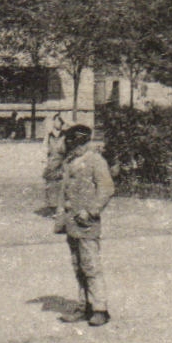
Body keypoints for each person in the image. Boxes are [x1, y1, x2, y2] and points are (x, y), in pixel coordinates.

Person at [55, 124, 114, 326]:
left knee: (91, 266)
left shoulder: (95, 161)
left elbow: (106, 188)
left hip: (87, 223)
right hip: (72, 224)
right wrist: (61, 218)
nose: (74, 148)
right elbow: (64, 193)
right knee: (78, 266)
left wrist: (91, 211)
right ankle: (84, 306)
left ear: (84, 142)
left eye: (78, 143)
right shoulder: (71, 162)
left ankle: (100, 309)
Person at [43, 114, 67, 215]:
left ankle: (61, 209)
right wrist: (45, 163)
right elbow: (44, 150)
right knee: (51, 187)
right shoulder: (49, 136)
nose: (58, 123)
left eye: (60, 121)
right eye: (56, 121)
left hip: (62, 164)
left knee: (62, 186)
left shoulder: (65, 136)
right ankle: (53, 209)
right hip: (51, 164)